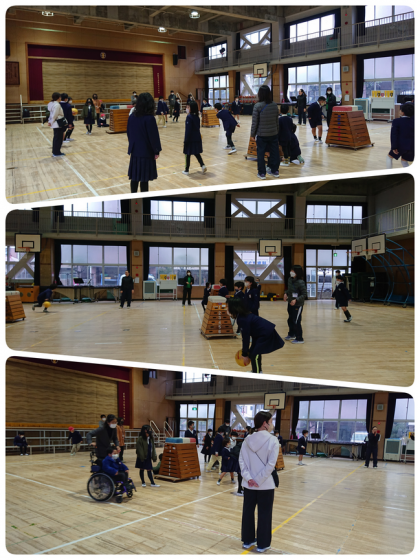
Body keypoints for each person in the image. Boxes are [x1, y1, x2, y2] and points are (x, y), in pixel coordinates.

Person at [239, 410, 279, 553]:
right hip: (266, 485)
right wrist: (259, 480)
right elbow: (271, 465)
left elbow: (242, 462)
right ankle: (262, 544)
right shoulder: (273, 440)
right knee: (265, 514)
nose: (272, 424)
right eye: (271, 421)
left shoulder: (247, 440)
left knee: (248, 512)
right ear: (265, 424)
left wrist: (250, 479)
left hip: (249, 485)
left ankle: (247, 540)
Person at [227, 299, 284, 374]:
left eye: (227, 307)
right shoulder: (241, 316)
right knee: (253, 353)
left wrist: (244, 354)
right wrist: (246, 352)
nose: (226, 309)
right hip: (258, 334)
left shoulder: (242, 319)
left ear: (233, 308)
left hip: (265, 333)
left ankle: (256, 374)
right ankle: (258, 371)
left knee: (254, 354)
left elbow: (246, 338)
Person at [127, 92, 162, 193]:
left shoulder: (131, 116)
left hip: (135, 151)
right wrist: (156, 151)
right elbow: (153, 136)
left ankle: (133, 196)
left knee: (134, 178)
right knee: (144, 179)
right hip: (146, 152)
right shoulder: (150, 118)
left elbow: (129, 133)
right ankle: (143, 198)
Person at [250, 85, 280, 180]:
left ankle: (262, 173)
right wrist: (277, 131)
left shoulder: (257, 106)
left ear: (260, 94)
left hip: (262, 135)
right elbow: (277, 120)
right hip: (273, 133)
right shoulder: (274, 105)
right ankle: (275, 171)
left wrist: (252, 134)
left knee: (261, 154)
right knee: (275, 152)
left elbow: (254, 122)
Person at [283, 265, 307, 344]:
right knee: (290, 320)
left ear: (297, 272)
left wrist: (296, 300)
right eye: (291, 270)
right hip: (290, 303)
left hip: (297, 305)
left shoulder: (301, 282)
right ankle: (292, 334)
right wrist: (286, 293)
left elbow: (304, 294)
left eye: (293, 271)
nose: (291, 272)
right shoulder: (290, 279)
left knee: (296, 321)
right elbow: (289, 290)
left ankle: (299, 338)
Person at [387, 102, 414, 169]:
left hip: (400, 145)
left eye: (400, 110)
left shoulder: (396, 121)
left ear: (403, 112)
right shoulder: (414, 121)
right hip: (412, 146)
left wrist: (394, 147)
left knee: (389, 157)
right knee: (404, 161)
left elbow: (394, 135)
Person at [182, 101, 207, 175]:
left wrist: (186, 140)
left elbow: (188, 130)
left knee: (187, 154)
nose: (187, 108)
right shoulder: (197, 117)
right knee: (196, 153)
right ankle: (202, 165)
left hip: (190, 139)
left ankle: (186, 170)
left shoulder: (189, 117)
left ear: (191, 108)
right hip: (197, 137)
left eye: (188, 107)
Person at [47, 92, 65, 157]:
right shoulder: (57, 105)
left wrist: (50, 121)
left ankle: (55, 151)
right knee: (58, 138)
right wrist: (51, 122)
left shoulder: (52, 104)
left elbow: (51, 115)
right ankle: (56, 152)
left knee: (56, 138)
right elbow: (54, 115)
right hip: (58, 123)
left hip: (55, 123)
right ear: (59, 97)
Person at [229, 431, 244, 496]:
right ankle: (239, 490)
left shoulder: (241, 444)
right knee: (240, 475)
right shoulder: (242, 445)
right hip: (237, 461)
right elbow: (236, 453)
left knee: (241, 476)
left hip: (238, 460)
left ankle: (241, 488)